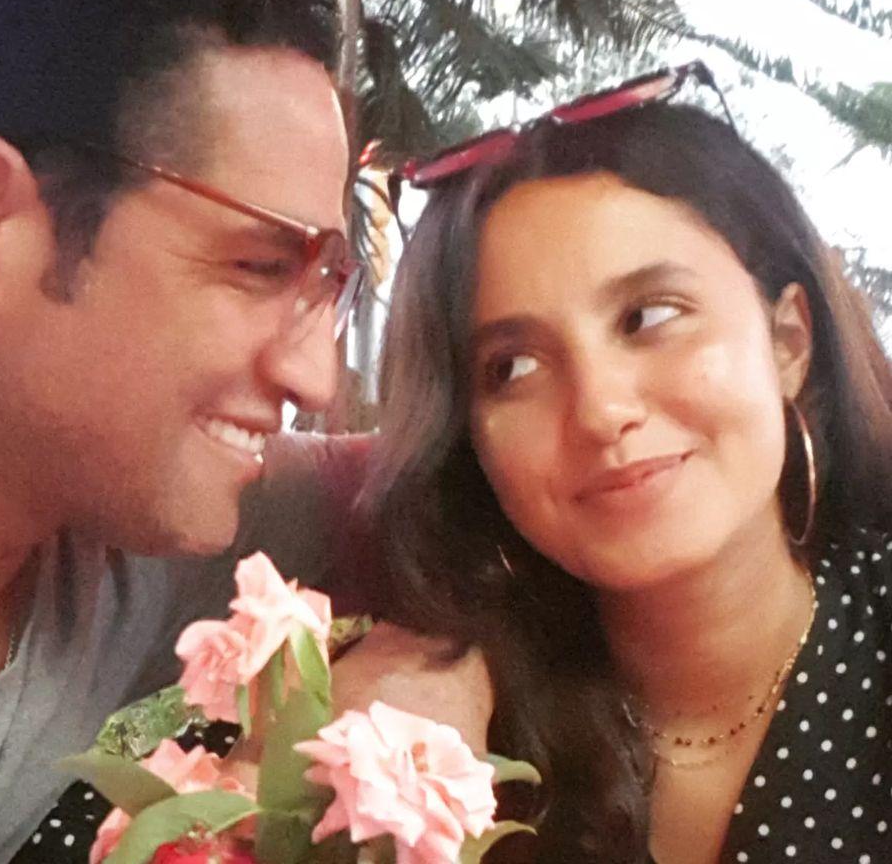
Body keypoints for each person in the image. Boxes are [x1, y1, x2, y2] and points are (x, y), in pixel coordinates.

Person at [0, 0, 490, 864]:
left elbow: (474, 501)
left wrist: (428, 687)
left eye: (326, 287)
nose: (315, 380)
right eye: (259, 264)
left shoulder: (143, 515)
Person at [355, 63, 892, 863]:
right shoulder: (413, 719)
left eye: (649, 317)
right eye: (514, 368)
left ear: (787, 342)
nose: (602, 412)